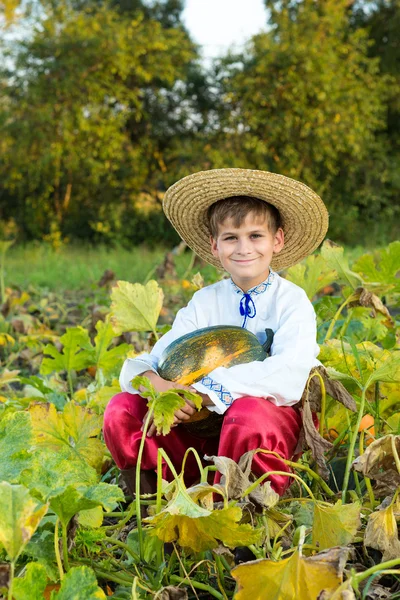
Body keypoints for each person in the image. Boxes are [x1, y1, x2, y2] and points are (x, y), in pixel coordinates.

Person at [103, 168, 329, 500]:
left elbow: (288, 375)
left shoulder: (291, 301)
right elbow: (159, 356)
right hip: (200, 432)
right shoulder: (205, 301)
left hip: (263, 430)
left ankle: (247, 508)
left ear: (277, 240)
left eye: (255, 236)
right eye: (230, 238)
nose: (243, 248)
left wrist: (206, 391)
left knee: (246, 415)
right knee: (121, 409)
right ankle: (155, 501)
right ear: (214, 245)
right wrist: (159, 385)